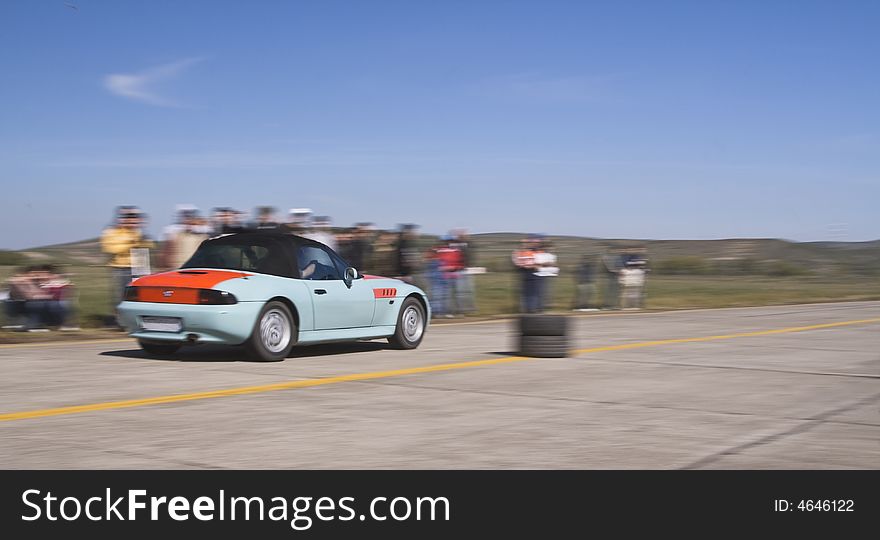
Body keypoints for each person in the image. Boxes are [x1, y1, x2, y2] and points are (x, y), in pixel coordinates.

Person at [101, 206, 155, 314]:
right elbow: (110, 248)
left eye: (134, 218)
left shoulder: (139, 233)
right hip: (121, 268)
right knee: (121, 295)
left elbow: (150, 245)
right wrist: (131, 243)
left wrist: (144, 241)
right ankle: (120, 321)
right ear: (121, 219)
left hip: (140, 267)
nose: (131, 221)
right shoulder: (112, 232)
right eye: (128, 218)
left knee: (139, 295)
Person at [449, 229, 476, 314]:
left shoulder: (468, 244)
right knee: (458, 291)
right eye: (461, 235)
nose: (463, 236)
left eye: (464, 235)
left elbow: (471, 254)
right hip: (456, 270)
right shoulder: (453, 244)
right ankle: (460, 309)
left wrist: (470, 264)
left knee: (468, 291)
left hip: (465, 269)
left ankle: (468, 308)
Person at [512, 236, 540, 313]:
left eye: (526, 243)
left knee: (532, 292)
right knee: (525, 292)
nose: (524, 244)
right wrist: (522, 265)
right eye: (523, 243)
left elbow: (538, 262)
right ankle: (526, 309)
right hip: (523, 272)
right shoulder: (517, 252)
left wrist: (534, 266)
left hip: (533, 272)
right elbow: (516, 262)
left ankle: (532, 308)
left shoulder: (534, 252)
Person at [532, 239, 559, 312]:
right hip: (540, 274)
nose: (550, 249)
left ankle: (542, 307)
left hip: (547, 274)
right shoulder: (539, 254)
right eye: (549, 247)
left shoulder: (551, 255)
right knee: (539, 291)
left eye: (552, 248)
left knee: (544, 291)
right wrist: (545, 264)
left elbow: (554, 264)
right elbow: (537, 264)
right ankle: (538, 307)